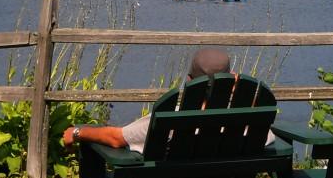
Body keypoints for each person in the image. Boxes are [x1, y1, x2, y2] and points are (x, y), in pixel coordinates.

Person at [62, 48, 232, 153]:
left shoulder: (172, 117)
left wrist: (77, 132)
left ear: (189, 80)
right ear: (231, 80)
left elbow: (117, 138)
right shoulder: (244, 117)